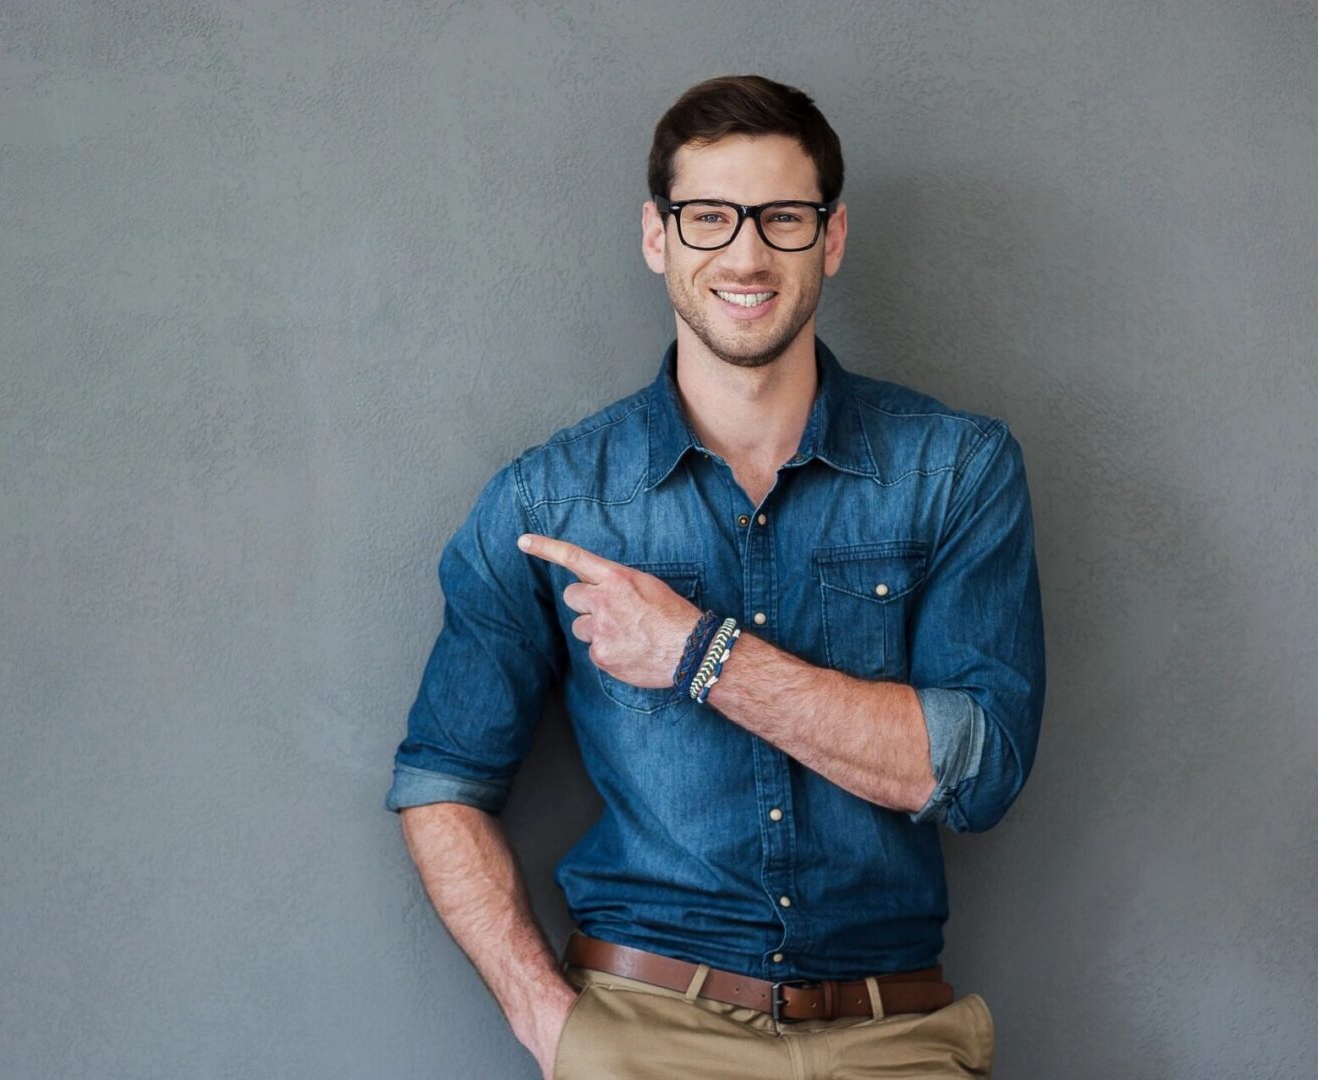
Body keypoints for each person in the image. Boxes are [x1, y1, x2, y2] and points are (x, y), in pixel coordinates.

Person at [384, 73, 1044, 1079]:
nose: (744, 253)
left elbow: (975, 767)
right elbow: (441, 781)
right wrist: (547, 1022)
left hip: (895, 1037)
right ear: (658, 237)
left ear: (831, 237)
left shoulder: (955, 469)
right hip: (644, 1030)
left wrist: (700, 654)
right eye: (708, 217)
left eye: (781, 217)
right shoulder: (548, 501)